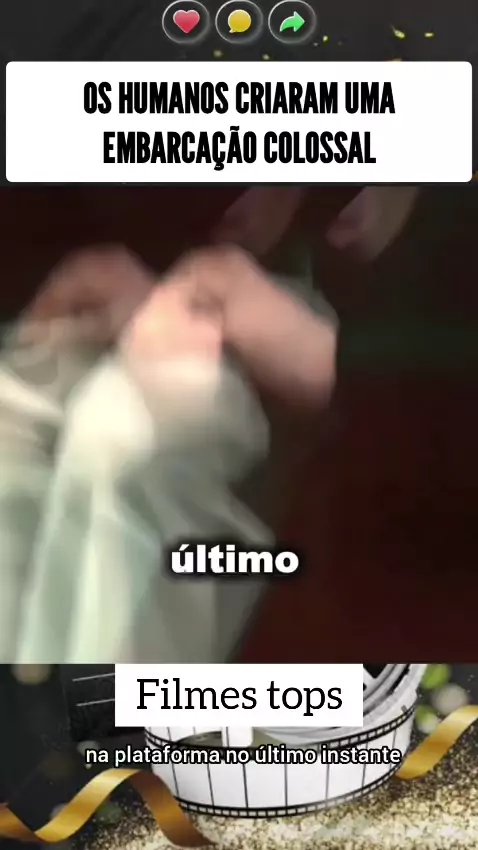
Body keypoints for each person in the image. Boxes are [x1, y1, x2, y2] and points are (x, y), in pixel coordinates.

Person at [0, 243, 337, 663]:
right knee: (14, 412)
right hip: (158, 280)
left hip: (295, 327)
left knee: (126, 433)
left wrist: (241, 302)